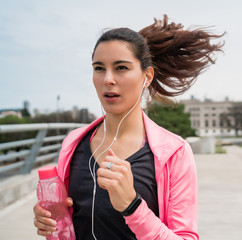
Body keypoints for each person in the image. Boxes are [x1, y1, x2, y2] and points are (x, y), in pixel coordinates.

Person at [33, 15, 224, 239]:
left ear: (147, 76)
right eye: (99, 68)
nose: (108, 79)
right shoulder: (73, 143)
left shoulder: (175, 152)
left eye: (121, 67)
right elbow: (67, 225)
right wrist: (50, 222)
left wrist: (131, 206)